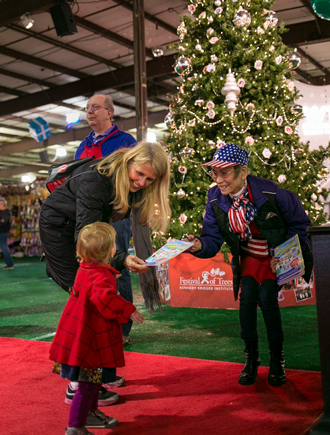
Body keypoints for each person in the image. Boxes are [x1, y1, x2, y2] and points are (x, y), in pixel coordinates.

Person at [40, 141, 170, 411]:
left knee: (96, 312)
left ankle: (100, 376)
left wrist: (121, 258)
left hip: (87, 237)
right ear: (129, 162)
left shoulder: (126, 182)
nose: (142, 182)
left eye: (149, 179)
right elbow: (88, 239)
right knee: (90, 311)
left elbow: (99, 235)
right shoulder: (96, 182)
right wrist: (121, 259)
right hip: (63, 232)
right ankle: (79, 385)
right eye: (139, 174)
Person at [186, 143, 312, 387]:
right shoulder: (215, 198)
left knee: (267, 299)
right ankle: (251, 360)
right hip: (248, 259)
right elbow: (212, 239)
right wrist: (198, 246)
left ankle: (277, 361)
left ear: (243, 172)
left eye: (224, 173)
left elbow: (300, 224)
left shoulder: (272, 193)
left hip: (273, 258)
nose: (218, 179)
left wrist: (284, 255)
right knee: (246, 302)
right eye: (214, 172)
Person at [49, 222, 144, 435]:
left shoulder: (87, 268)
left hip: (83, 337)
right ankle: (75, 427)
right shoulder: (99, 275)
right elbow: (104, 298)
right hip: (89, 342)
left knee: (92, 382)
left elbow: (97, 289)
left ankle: (90, 414)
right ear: (111, 251)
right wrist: (128, 310)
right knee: (88, 385)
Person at [75, 94, 137, 347]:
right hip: (89, 216)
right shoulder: (83, 145)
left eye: (95, 107)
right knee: (92, 268)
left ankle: (122, 328)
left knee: (117, 267)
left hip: (116, 215)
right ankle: (98, 323)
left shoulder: (125, 141)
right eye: (87, 108)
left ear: (109, 113)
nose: (90, 112)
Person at [0, 197, 14, 270]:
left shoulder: (5, 212)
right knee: (4, 247)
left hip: (3, 232)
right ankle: (9, 264)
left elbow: (3, 222)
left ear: (2, 204)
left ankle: (10, 264)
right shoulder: (3, 212)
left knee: (4, 247)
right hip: (3, 232)